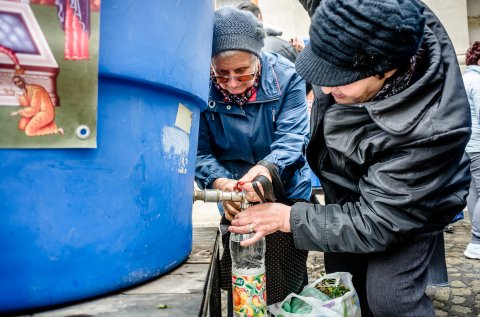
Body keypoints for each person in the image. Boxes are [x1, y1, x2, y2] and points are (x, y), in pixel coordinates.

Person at [229, 0, 471, 316]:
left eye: (338, 78)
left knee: (391, 298)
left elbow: (379, 220)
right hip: (348, 185)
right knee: (346, 277)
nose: (325, 89)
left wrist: (288, 218)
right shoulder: (354, 15)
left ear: (385, 69)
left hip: (410, 203)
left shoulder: (433, 131)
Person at [194, 6, 312, 309]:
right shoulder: (199, 83)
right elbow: (199, 150)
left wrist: (266, 171)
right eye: (221, 73)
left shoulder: (288, 78)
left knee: (284, 282)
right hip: (235, 194)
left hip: (285, 189)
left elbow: (293, 139)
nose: (232, 83)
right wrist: (219, 181)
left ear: (257, 59)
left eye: (242, 72)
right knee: (241, 281)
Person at [463, 41, 480, 260]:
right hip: (478, 145)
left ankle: (476, 239)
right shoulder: (477, 81)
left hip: (465, 146)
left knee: (473, 192)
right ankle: (477, 240)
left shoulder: (463, 79)